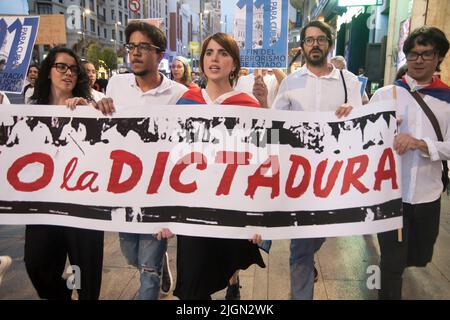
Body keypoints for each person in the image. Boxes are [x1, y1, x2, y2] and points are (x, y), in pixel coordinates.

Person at [93, 21, 187, 300]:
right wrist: (99, 107)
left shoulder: (179, 94)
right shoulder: (116, 84)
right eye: (131, 46)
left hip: (159, 193)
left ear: (160, 55)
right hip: (124, 190)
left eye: (143, 47)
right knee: (131, 253)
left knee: (147, 274)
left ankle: (154, 272)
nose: (135, 53)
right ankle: (160, 265)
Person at [171, 32, 266, 300]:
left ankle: (232, 283)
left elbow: (260, 159)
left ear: (234, 64)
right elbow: (169, 154)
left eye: (223, 53)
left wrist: (258, 218)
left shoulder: (249, 105)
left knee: (225, 265)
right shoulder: (185, 102)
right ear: (201, 61)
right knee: (192, 286)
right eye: (209, 52)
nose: (215, 58)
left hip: (232, 205)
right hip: (193, 205)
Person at [272, 20, 363, 300]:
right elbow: (275, 125)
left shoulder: (349, 82)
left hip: (335, 176)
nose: (314, 44)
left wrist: (354, 113)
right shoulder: (290, 82)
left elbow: (363, 124)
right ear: (302, 46)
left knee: (323, 231)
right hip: (299, 177)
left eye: (320, 39)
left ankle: (308, 255)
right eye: (309, 40)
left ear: (330, 43)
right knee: (300, 245)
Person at [370, 26, 450, 300]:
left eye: (425, 54)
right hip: (391, 194)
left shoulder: (447, 100)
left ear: (438, 57)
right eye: (412, 54)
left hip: (427, 194)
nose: (418, 60)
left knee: (420, 255)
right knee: (391, 263)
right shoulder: (386, 95)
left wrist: (418, 143)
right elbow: (362, 135)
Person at [25, 46, 104, 300]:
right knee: (37, 265)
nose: (68, 73)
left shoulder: (89, 108)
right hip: (43, 207)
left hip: (83, 207)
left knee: (84, 276)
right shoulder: (30, 111)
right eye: (61, 67)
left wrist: (89, 113)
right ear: (49, 71)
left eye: (73, 69)